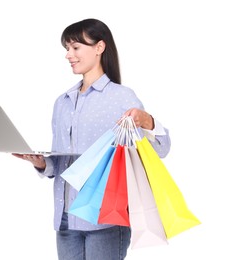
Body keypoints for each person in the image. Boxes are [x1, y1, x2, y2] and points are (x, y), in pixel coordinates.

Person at [13, 18, 171, 260]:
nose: (69, 55)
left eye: (75, 47)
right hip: (65, 218)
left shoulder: (121, 97)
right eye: (67, 48)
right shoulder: (62, 102)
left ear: (99, 47)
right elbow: (61, 163)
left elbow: (161, 149)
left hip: (105, 218)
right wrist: (41, 163)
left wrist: (147, 120)